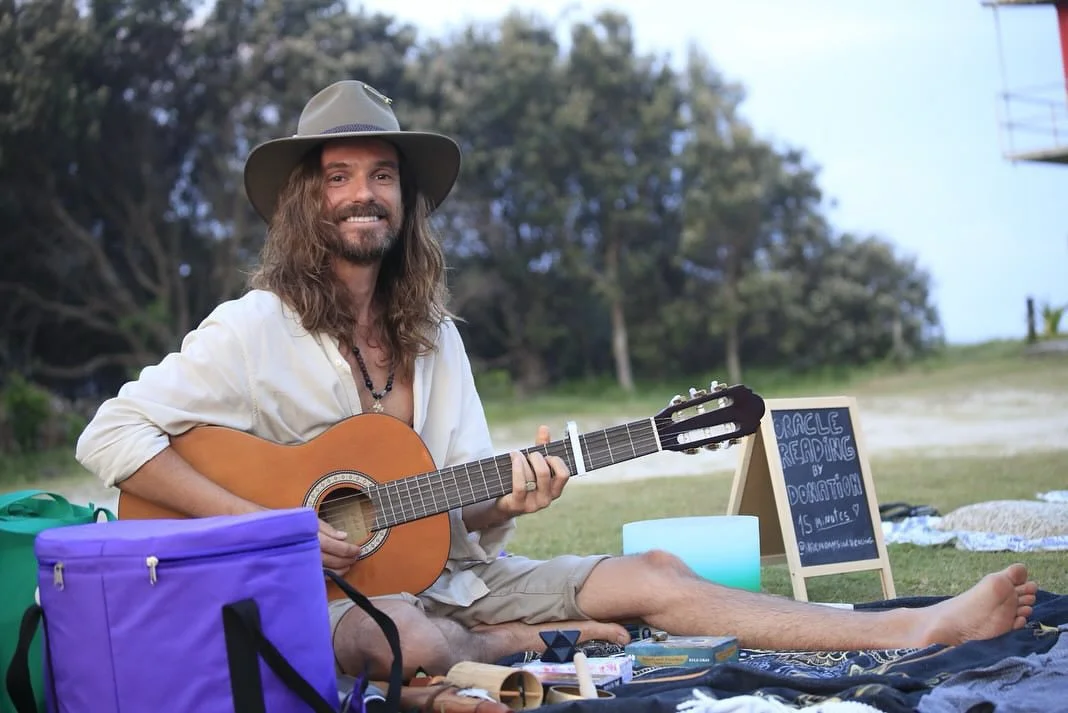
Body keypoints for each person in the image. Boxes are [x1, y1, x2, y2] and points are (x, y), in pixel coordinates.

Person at [76, 80, 1038, 681]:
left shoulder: (434, 340)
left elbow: (457, 517)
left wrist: (514, 498)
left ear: (405, 202)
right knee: (399, 639)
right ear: (305, 200)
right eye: (336, 176)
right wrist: (273, 524)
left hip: (460, 580)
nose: (360, 193)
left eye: (380, 175)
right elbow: (110, 437)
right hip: (309, 596)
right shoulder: (253, 329)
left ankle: (909, 626)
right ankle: (511, 649)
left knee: (655, 573)